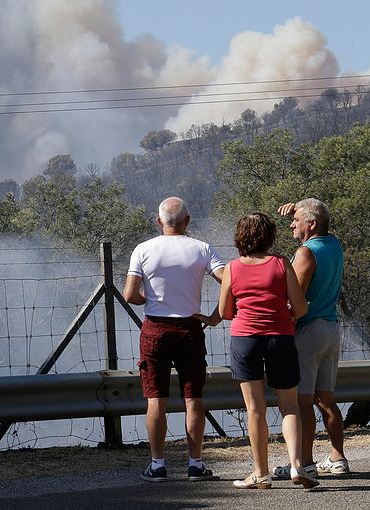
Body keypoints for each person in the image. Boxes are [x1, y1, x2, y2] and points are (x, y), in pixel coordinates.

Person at [202, 212, 318, 489]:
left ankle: (260, 473)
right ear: (269, 236)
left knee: (255, 409)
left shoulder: (232, 268)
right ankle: (297, 466)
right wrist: (285, 314)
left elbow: (225, 311)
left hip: (246, 339)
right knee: (289, 406)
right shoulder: (281, 264)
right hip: (280, 337)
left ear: (240, 237)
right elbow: (300, 307)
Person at [123, 197, 225, 483]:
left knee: (156, 398)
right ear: (187, 221)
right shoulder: (202, 249)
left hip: (155, 328)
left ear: (159, 222)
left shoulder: (143, 249)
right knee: (193, 398)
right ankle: (195, 464)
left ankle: (157, 465)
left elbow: (129, 294)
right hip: (190, 329)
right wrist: (217, 315)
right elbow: (230, 280)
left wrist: (151, 300)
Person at [272, 198, 348, 480]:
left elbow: (296, 301)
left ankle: (304, 463)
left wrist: (282, 327)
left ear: (311, 224)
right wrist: (298, 210)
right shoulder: (335, 245)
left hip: (308, 330)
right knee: (326, 399)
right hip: (330, 328)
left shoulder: (305, 253)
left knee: (302, 402)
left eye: (296, 220)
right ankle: (338, 458)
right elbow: (318, 217)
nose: (291, 224)